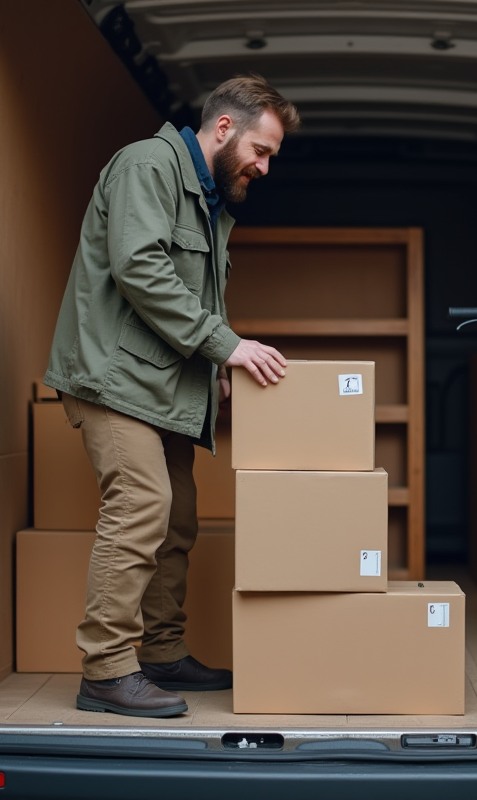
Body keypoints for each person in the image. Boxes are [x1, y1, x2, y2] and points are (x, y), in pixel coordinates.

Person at [43, 75, 300, 717]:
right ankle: (106, 669)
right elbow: (141, 268)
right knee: (141, 505)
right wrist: (226, 345)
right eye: (261, 150)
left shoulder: (209, 198)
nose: (264, 166)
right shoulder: (147, 165)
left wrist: (211, 370)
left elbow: (189, 293)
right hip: (114, 380)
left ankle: (158, 653)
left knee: (177, 517)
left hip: (161, 387)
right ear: (222, 129)